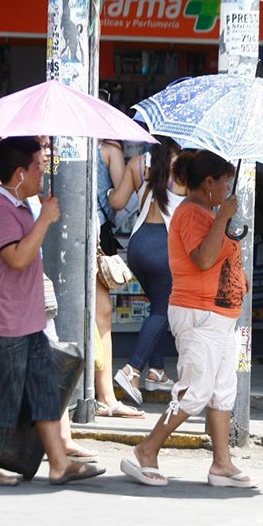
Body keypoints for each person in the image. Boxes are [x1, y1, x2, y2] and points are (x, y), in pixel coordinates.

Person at [0, 136, 104, 485]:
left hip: (29, 320)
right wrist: (44, 221)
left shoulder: (21, 206)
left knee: (45, 394)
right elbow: (16, 258)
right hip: (5, 322)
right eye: (38, 169)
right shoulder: (1, 209)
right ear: (20, 173)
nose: (43, 174)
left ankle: (58, 463)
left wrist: (41, 215)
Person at [120, 150, 256, 488]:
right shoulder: (192, 213)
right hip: (199, 314)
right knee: (194, 390)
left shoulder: (207, 214)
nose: (227, 189)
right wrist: (223, 218)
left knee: (223, 391)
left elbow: (219, 259)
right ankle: (146, 450)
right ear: (209, 183)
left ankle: (222, 463)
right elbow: (203, 259)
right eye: (224, 182)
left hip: (219, 315)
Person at [109, 136, 187, 406]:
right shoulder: (186, 167)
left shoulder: (138, 163)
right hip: (165, 246)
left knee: (158, 305)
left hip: (139, 244)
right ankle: (132, 369)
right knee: (164, 309)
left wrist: (107, 192)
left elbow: (118, 202)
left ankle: (157, 371)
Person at [93, 139, 143, 418]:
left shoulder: (52, 145)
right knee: (102, 315)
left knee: (101, 313)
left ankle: (104, 396)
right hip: (97, 232)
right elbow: (122, 202)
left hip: (83, 232)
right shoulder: (110, 150)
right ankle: (105, 397)